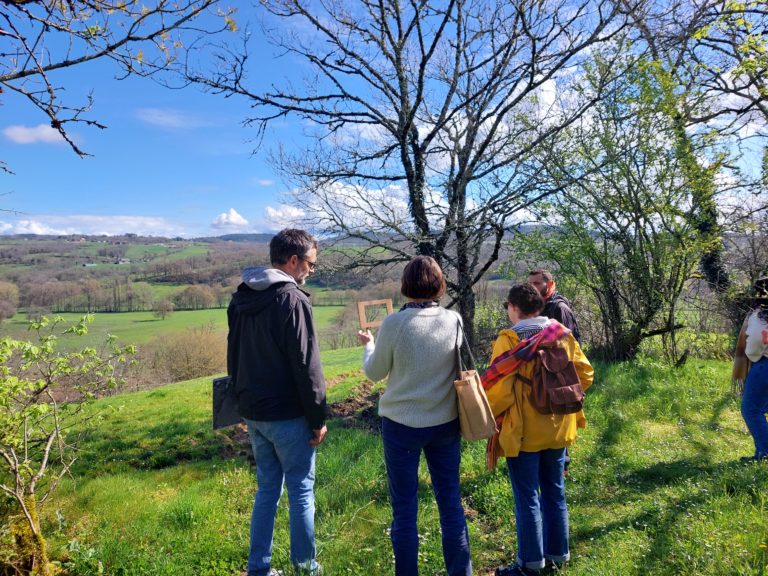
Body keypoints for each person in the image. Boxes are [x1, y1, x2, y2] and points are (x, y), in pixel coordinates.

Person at [357, 256, 472, 576]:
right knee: (450, 503)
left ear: (406, 286)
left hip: (401, 425)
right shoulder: (454, 320)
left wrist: (369, 345)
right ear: (439, 285)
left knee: (405, 509)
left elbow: (374, 373)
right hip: (446, 422)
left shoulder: (394, 323)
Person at [227, 228, 327, 576]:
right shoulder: (292, 300)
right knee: (301, 490)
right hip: (288, 414)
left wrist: (241, 401)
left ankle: (259, 569)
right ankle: (305, 568)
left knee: (267, 490)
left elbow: (233, 354)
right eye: (311, 263)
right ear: (294, 260)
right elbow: (307, 365)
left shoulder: (240, 297)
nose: (312, 271)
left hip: (254, 412)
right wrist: (317, 418)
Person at [484, 284, 593, 576]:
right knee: (555, 491)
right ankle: (558, 555)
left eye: (507, 306)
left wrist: (488, 417)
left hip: (524, 432)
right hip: (559, 427)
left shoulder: (509, 340)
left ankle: (529, 564)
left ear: (514, 307)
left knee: (527, 497)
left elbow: (500, 391)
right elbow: (585, 374)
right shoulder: (561, 334)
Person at [733, 276, 768, 462]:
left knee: (751, 409)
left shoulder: (760, 316)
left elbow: (755, 341)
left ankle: (765, 454)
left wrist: (753, 355)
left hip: (764, 366)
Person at [528, 269, 581, 344]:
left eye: (536, 283)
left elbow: (569, 343)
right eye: (530, 283)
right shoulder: (532, 306)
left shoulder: (559, 308)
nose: (532, 287)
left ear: (549, 284)